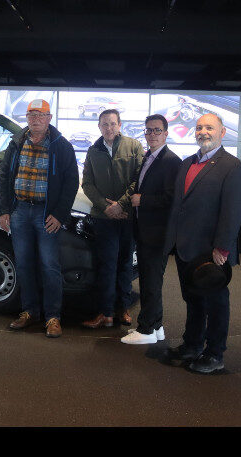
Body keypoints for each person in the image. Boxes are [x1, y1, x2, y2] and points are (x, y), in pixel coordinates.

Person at [163, 113, 241, 374]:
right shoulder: (188, 163)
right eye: (199, 127)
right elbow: (180, 206)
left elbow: (233, 211)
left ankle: (214, 354)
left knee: (216, 303)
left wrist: (222, 247)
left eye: (209, 127)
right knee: (193, 300)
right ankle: (192, 345)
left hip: (212, 251)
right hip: (186, 248)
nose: (203, 131)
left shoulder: (233, 167)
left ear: (223, 132)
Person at [0, 99, 79, 338]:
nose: (35, 119)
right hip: (20, 211)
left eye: (40, 115)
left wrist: (60, 215)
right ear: (27, 117)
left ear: (49, 118)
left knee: (49, 266)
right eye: (31, 115)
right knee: (23, 264)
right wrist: (3, 209)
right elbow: (4, 177)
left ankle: (53, 317)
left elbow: (71, 183)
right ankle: (29, 311)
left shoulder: (61, 146)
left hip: (46, 215)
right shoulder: (16, 143)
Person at [120, 114, 181, 344]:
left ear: (166, 133)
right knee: (150, 280)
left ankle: (146, 330)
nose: (151, 134)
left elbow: (172, 198)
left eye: (156, 130)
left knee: (151, 282)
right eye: (148, 130)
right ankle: (156, 327)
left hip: (157, 233)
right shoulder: (150, 156)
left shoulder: (171, 161)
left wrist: (142, 200)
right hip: (146, 231)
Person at [81, 109, 145, 329]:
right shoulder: (93, 151)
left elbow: (139, 179)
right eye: (104, 124)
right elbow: (87, 183)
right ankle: (106, 313)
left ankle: (123, 309)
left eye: (112, 124)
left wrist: (121, 205)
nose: (108, 128)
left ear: (120, 125)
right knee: (106, 265)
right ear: (99, 127)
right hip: (103, 217)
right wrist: (105, 207)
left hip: (127, 216)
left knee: (125, 264)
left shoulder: (134, 146)